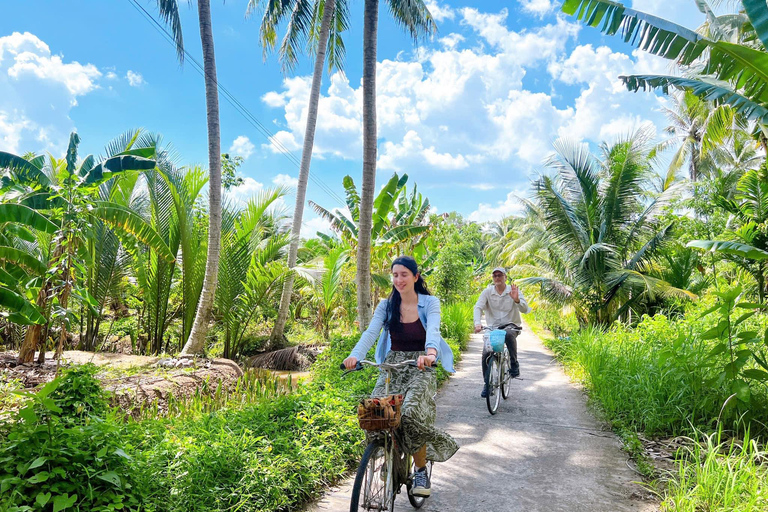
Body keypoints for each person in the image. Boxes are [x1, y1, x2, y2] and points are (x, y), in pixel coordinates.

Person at [343, 256, 458, 498]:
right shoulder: (386, 306)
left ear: (416, 277)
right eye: (395, 275)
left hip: (421, 365)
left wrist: (430, 353)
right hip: (393, 363)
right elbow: (371, 332)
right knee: (375, 412)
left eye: (404, 274)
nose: (398, 279)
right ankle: (390, 454)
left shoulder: (429, 303)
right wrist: (354, 356)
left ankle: (420, 470)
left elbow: (434, 329)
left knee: (411, 414)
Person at [474, 266, 531, 398]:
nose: (497, 278)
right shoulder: (487, 292)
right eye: (495, 276)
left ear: (505, 277)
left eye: (500, 275)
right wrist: (477, 323)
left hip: (511, 326)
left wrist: (516, 299)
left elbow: (525, 309)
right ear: (493, 278)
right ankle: (487, 384)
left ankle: (514, 363)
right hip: (493, 328)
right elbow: (478, 307)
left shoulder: (513, 290)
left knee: (509, 334)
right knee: (486, 352)